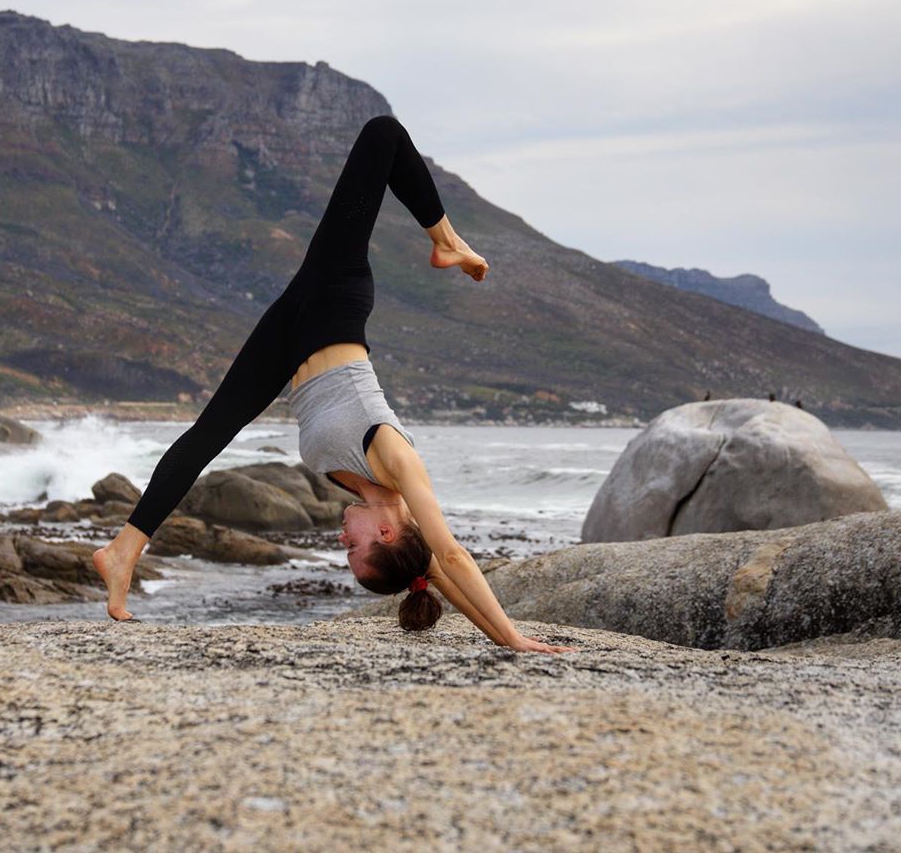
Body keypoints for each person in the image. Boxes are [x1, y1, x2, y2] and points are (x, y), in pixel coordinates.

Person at [93, 115, 578, 654]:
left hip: (290, 340)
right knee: (382, 135)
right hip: (332, 302)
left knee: (208, 435)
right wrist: (513, 636)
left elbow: (434, 574)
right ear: (387, 534)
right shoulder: (396, 463)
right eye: (355, 550)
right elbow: (455, 559)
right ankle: (448, 241)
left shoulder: (376, 507)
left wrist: (498, 639)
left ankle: (122, 551)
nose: (342, 542)